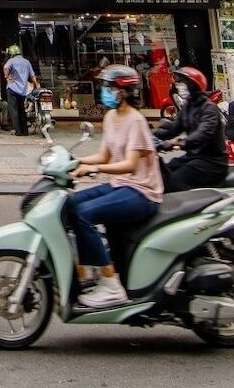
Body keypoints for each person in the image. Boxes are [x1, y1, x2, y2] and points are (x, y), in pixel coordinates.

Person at [64, 67, 163, 309]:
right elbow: (104, 155)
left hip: (141, 191)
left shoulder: (136, 120)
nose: (105, 92)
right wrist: (75, 162)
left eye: (110, 88)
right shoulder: (110, 117)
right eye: (105, 88)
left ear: (124, 91)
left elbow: (130, 165)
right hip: (120, 185)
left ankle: (110, 285)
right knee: (69, 204)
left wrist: (94, 170)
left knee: (84, 214)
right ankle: (86, 268)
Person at [155, 66, 227, 191]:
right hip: (193, 157)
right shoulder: (188, 107)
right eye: (178, 83)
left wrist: (178, 143)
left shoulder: (209, 109)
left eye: (182, 83)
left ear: (193, 85)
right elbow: (173, 129)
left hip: (212, 162)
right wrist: (151, 135)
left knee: (173, 181)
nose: (179, 87)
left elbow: (201, 134)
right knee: (162, 173)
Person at [2, 46, 36, 137]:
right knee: (21, 110)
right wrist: (37, 84)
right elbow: (33, 75)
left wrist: (7, 77)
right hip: (22, 90)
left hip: (12, 88)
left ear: (12, 54)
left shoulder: (11, 61)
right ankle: (25, 131)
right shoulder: (26, 62)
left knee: (14, 110)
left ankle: (18, 131)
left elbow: (6, 68)